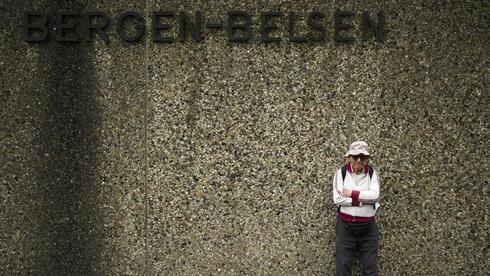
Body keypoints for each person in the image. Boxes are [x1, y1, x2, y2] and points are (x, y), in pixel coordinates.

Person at [332, 141, 380, 276]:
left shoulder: (371, 173)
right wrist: (361, 201)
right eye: (355, 156)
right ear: (349, 157)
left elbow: (375, 196)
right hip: (345, 228)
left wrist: (353, 194)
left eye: (362, 157)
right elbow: (338, 199)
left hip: (368, 228)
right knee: (343, 268)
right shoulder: (340, 173)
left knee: (370, 270)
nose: (359, 160)